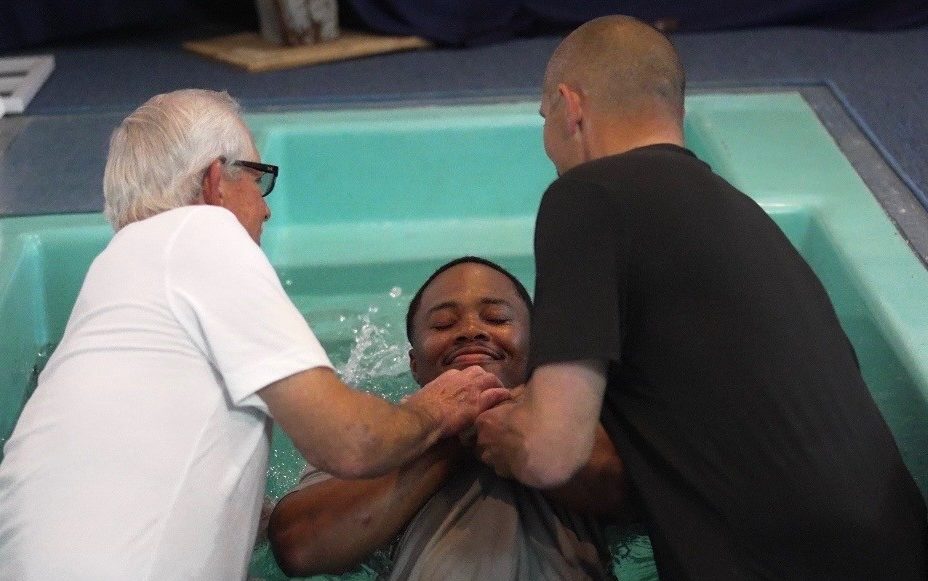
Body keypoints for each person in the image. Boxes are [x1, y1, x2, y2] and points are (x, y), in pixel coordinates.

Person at [474, 15, 928, 581]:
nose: (548, 144)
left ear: (571, 107)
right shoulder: (747, 221)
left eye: (544, 120)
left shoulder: (586, 197)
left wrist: (496, 433)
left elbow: (550, 451)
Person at [0, 89, 509, 580]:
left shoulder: (116, 283)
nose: (265, 210)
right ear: (216, 182)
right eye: (260, 181)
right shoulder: (201, 233)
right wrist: (437, 409)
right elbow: (353, 443)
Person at [268, 256, 630, 580]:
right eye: (443, 324)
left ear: (539, 350)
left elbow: (643, 501)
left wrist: (528, 432)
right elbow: (297, 548)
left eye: (497, 318)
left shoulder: (581, 418)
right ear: (414, 365)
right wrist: (442, 431)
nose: (471, 331)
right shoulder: (375, 436)